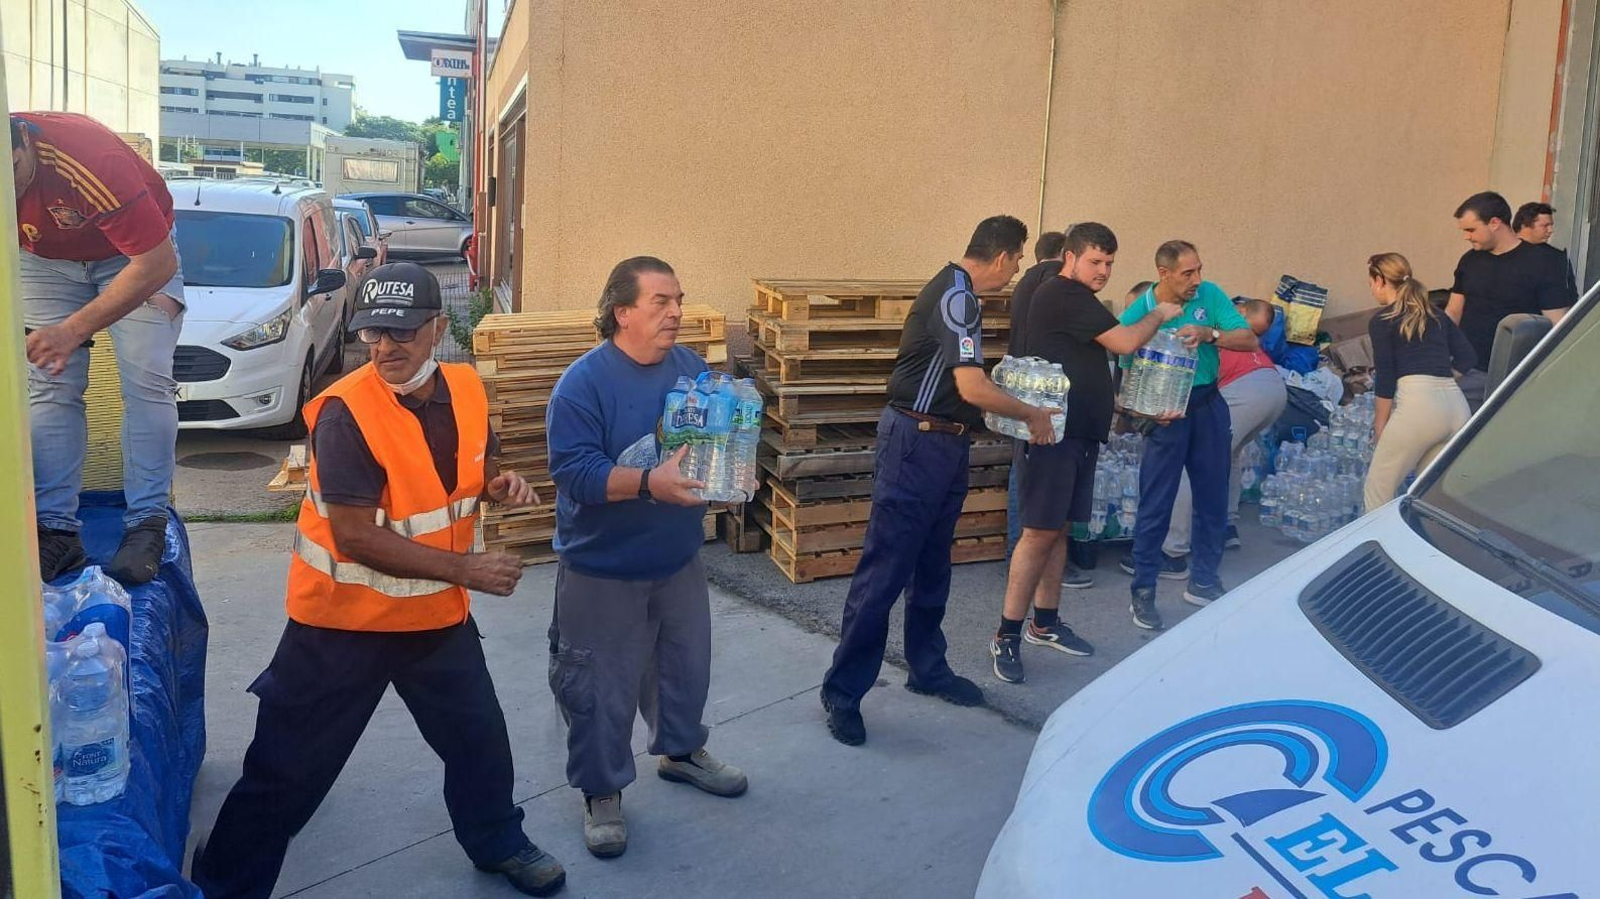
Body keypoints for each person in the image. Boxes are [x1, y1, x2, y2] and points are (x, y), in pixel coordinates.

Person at [191, 263, 566, 899]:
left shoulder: (466, 390)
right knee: (286, 773)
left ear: (439, 329)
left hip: (432, 621)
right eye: (372, 335)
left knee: (480, 742)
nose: (385, 348)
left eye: (402, 333)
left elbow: (479, 460)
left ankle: (498, 840)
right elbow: (356, 538)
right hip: (342, 627)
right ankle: (223, 884)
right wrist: (466, 570)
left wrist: (499, 485)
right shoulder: (346, 414)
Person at [820, 215, 1056, 746]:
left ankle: (928, 668)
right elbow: (971, 386)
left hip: (947, 443)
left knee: (931, 566)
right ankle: (842, 692)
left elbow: (966, 389)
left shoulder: (959, 294)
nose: (1016, 270)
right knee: (884, 572)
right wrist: (1030, 413)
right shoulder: (958, 298)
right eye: (1018, 260)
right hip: (916, 443)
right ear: (1002, 256)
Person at [544, 256, 747, 860]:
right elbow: (573, 472)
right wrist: (646, 484)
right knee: (599, 688)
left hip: (677, 556)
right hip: (601, 568)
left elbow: (712, 442)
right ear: (621, 312)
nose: (677, 313)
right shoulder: (582, 385)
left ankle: (680, 752)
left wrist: (732, 467)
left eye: (678, 300)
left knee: (683, 669)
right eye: (661, 302)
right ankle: (601, 792)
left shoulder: (689, 368)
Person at [989, 222, 1179, 684]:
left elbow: (1087, 362)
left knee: (1057, 532)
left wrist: (1131, 405)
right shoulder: (1063, 293)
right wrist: (1159, 312)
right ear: (1069, 258)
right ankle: (1006, 636)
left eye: (1110, 263)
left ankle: (1045, 623)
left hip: (1077, 436)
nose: (1104, 271)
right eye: (1096, 261)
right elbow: (1127, 342)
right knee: (1037, 533)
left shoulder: (1077, 299)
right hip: (1050, 437)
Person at [12, 112, 185, 584]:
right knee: (47, 383)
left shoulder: (87, 160)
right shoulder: (16, 172)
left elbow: (156, 262)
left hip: (135, 256)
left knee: (147, 379)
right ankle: (55, 532)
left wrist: (70, 331)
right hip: (43, 260)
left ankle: (146, 523)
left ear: (24, 140)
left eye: (14, 177)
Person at [1119, 241, 1257, 630]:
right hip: (1166, 416)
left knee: (1213, 497)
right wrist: (1141, 413)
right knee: (1156, 503)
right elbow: (1124, 374)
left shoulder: (1209, 295)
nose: (1197, 279)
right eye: (1187, 273)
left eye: (1198, 270)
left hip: (1208, 405)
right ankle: (1143, 592)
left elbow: (1249, 339)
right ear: (1164, 274)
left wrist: (1210, 333)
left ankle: (1204, 581)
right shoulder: (1140, 311)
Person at [1146, 298, 1286, 563]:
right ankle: (1227, 525)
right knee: (1230, 455)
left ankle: (1172, 550)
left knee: (1191, 463)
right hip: (1274, 386)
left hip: (1246, 391)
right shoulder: (1232, 332)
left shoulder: (1206, 333)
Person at [1362, 253, 1475, 512]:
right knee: (1429, 498)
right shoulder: (1436, 315)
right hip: (1456, 406)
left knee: (1378, 490)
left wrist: (1380, 427)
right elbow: (1468, 357)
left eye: (1370, 283)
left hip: (1418, 407)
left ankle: (1375, 547)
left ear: (1380, 280)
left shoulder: (1382, 320)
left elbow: (1386, 377)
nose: (1371, 290)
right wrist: (1439, 379)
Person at [1446, 191, 1573, 409]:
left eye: (1471, 229)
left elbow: (1557, 325)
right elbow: (1453, 311)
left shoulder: (1542, 263)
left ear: (1494, 223)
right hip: (1466, 371)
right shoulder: (1469, 260)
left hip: (1514, 376)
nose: (1466, 236)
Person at [1006, 230, 1067, 558]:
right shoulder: (1055, 279)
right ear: (1063, 254)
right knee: (1040, 474)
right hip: (1043, 389)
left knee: (1023, 466)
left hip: (1020, 382)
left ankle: (1016, 552)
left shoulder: (1025, 282)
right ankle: (1026, 555)